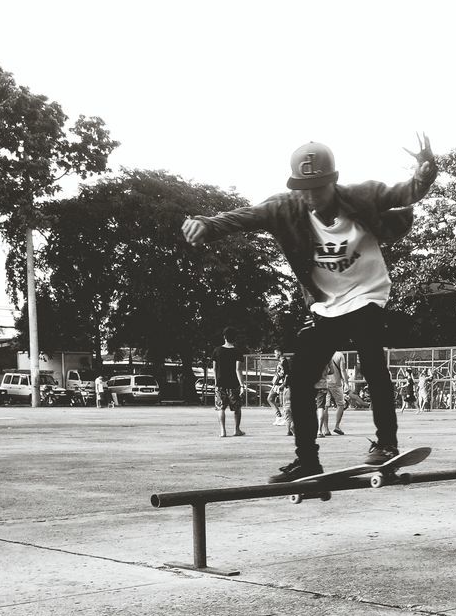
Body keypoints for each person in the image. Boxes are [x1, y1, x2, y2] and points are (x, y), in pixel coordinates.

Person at [182, 135, 437, 481]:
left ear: (333, 182)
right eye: (304, 190)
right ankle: (307, 460)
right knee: (299, 380)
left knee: (372, 361)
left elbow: (404, 193)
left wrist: (424, 174)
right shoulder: (284, 208)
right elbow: (243, 217)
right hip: (326, 305)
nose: (311, 197)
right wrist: (207, 224)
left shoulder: (361, 196)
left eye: (318, 189)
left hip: (367, 294)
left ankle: (386, 444)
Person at [213, 327, 246, 437]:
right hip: (233, 384)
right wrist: (242, 385)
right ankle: (236, 430)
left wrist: (216, 382)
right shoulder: (237, 351)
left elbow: (214, 368)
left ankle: (223, 431)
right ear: (234, 338)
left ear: (224, 337)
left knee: (220, 407)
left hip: (220, 383)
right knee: (237, 408)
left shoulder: (217, 350)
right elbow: (238, 370)